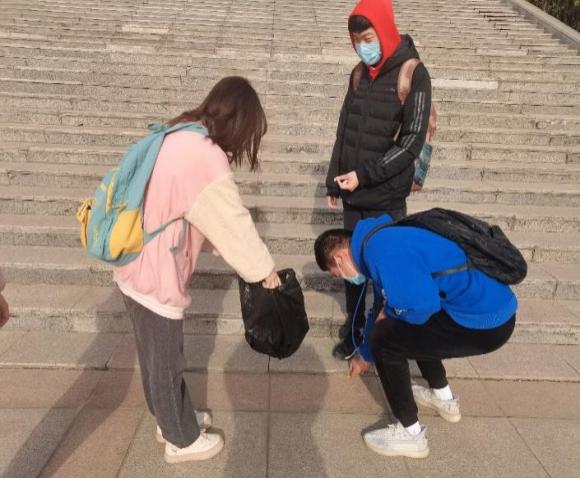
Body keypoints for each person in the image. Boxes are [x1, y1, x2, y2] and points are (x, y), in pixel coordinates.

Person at [113, 76, 281, 464]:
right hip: (155, 273)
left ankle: (170, 418)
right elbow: (232, 221)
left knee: (153, 356)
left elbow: (198, 213)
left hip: (135, 262)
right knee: (166, 361)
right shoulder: (205, 155)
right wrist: (263, 270)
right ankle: (180, 439)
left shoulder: (181, 132)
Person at [314, 214, 517, 458]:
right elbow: (381, 306)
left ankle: (410, 433)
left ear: (339, 258)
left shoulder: (382, 252)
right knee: (406, 325)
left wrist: (386, 322)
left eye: (337, 274)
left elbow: (421, 306)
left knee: (386, 338)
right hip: (494, 308)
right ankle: (443, 398)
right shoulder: (378, 239)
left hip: (485, 323)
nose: (345, 278)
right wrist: (364, 355)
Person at [325, 0, 433, 361]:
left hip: (386, 195)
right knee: (351, 271)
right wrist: (333, 181)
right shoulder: (358, 74)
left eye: (368, 38)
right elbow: (344, 129)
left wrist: (364, 175)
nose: (362, 47)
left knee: (388, 273)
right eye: (356, 41)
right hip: (353, 195)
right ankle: (355, 330)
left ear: (385, 31)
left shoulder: (414, 74)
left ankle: (385, 336)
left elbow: (411, 142)